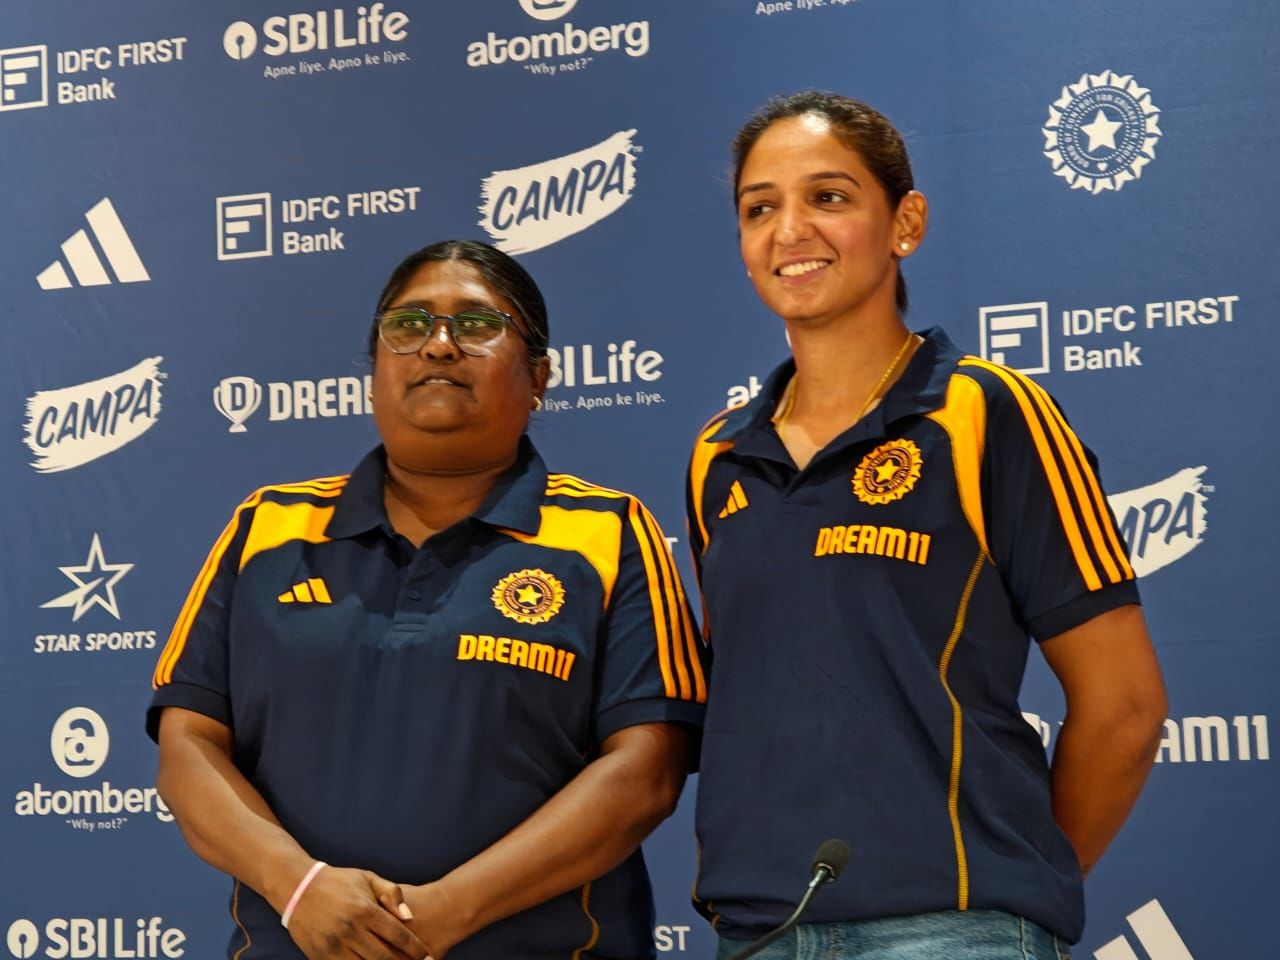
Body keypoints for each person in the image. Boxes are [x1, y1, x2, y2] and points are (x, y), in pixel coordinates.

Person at [685, 91, 1168, 959]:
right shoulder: (717, 455)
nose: (790, 229)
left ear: (905, 222)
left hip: (954, 930)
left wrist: (1007, 886)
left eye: (828, 197)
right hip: (759, 932)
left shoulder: (987, 412)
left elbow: (1125, 707)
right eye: (761, 208)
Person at [148, 239, 707, 960]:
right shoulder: (267, 527)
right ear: (373, 374)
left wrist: (440, 917)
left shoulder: (609, 534)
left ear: (539, 376)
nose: (438, 346)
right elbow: (188, 743)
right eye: (407, 326)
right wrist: (300, 886)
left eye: (477, 325)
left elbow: (647, 770)